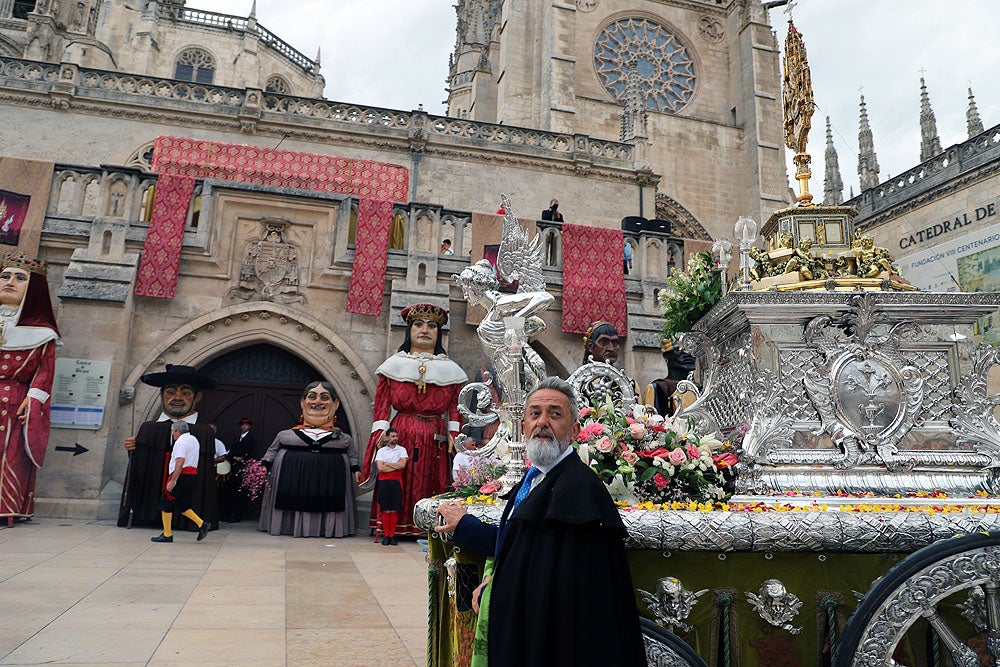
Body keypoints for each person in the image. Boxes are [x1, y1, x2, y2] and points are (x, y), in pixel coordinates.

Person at [435, 377, 647, 667]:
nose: (542, 422)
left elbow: (560, 585)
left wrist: (495, 588)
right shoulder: (538, 477)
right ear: (523, 428)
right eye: (534, 414)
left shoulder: (578, 489)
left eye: (555, 414)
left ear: (574, 430)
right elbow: (524, 544)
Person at [359, 303, 467, 537]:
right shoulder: (393, 366)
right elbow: (381, 406)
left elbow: (455, 408)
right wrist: (380, 434)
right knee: (397, 477)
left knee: (430, 479)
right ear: (409, 331)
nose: (424, 329)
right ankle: (391, 527)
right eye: (418, 324)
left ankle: (426, 527)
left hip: (434, 436)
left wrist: (454, 435)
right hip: (401, 433)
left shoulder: (451, 370)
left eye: (432, 326)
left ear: (439, 333)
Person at [118, 364, 220, 531]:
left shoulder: (203, 432)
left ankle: (192, 523)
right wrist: (133, 451)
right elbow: (140, 468)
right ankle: (155, 520)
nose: (177, 398)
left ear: (198, 397)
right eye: (170, 392)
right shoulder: (149, 428)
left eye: (186, 393)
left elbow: (204, 473)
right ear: (162, 395)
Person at [0, 251, 59, 526]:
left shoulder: (42, 333)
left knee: (10, 454)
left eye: (19, 277)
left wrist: (33, 399)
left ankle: (7, 507)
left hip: (13, 402)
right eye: (5, 276)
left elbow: (44, 372)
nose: (10, 281)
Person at [259, 381, 360, 538]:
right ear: (302, 402)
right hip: (292, 476)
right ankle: (287, 525)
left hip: (330, 478)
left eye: (324, 397)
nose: (317, 401)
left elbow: (353, 454)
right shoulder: (285, 435)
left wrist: (356, 469)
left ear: (336, 404)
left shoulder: (343, 438)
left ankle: (328, 528)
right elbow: (272, 450)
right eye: (312, 397)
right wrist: (265, 464)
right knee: (290, 499)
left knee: (330, 502)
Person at [151, 420, 210, 543]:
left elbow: (180, 461)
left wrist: (173, 480)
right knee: (183, 505)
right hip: (192, 476)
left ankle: (167, 534)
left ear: (177, 431)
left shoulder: (181, 442)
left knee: (166, 501)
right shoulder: (194, 440)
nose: (173, 434)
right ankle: (202, 524)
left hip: (182, 476)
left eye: (173, 432)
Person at [374, 427, 407, 545]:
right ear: (387, 437)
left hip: (396, 482)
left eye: (396, 436)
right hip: (384, 482)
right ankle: (386, 535)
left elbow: (402, 465)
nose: (395, 438)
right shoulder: (381, 451)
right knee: (385, 508)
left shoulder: (402, 450)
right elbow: (380, 468)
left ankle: (392, 535)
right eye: (393, 436)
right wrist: (394, 465)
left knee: (394, 509)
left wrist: (387, 464)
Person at [220, 417, 254, 522]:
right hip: (234, 465)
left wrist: (237, 456)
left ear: (249, 426)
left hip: (241, 466)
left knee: (238, 491)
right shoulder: (237, 436)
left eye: (246, 425)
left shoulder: (250, 438)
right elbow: (233, 450)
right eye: (242, 425)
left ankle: (236, 515)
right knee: (231, 490)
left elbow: (245, 451)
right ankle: (228, 514)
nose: (244, 427)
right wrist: (232, 455)